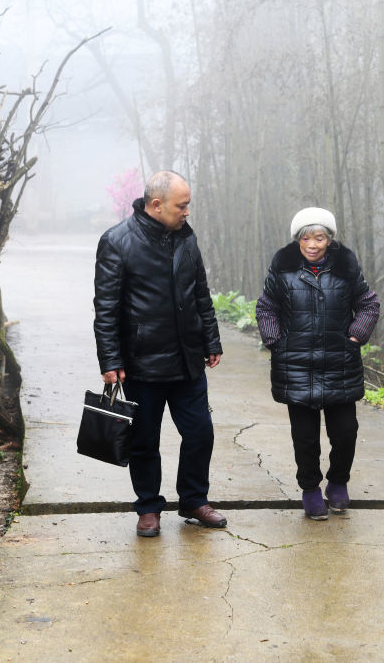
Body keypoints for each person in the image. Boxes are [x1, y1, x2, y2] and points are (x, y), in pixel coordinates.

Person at [93, 170, 226, 537]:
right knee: (144, 441)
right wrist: (111, 360)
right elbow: (106, 308)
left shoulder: (186, 238)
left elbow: (200, 292)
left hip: (188, 360)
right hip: (142, 363)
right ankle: (148, 508)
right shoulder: (117, 241)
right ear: (156, 205)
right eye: (181, 206)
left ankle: (194, 500)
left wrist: (211, 340)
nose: (187, 212)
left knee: (201, 432)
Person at [256, 207, 380, 520]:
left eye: (320, 237)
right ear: (298, 240)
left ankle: (338, 482)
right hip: (296, 368)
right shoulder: (282, 271)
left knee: (345, 432)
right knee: (305, 438)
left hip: (340, 366)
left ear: (329, 240)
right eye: (306, 238)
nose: (313, 244)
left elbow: (369, 304)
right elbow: (265, 308)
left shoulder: (345, 269)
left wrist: (355, 336)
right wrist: (275, 342)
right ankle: (310, 488)